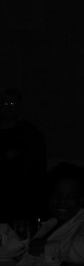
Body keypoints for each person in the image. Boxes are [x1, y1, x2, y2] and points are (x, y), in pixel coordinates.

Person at [0, 88, 46, 222]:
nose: (8, 108)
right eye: (5, 104)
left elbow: (37, 166)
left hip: (22, 198)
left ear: (19, 108)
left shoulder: (29, 133)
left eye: (12, 104)